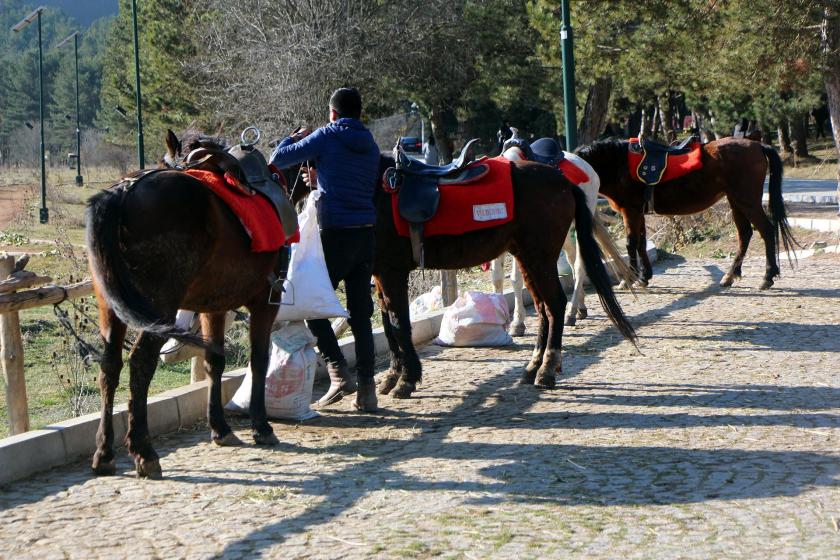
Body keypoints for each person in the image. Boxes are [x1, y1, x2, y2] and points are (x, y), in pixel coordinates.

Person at [270, 87, 380, 412]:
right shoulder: (370, 143)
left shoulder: (327, 135)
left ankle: (338, 372)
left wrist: (293, 138)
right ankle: (368, 390)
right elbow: (354, 181)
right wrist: (322, 177)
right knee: (361, 314)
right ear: (359, 113)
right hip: (366, 234)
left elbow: (279, 159)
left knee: (310, 305)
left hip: (335, 234)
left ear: (333, 113)